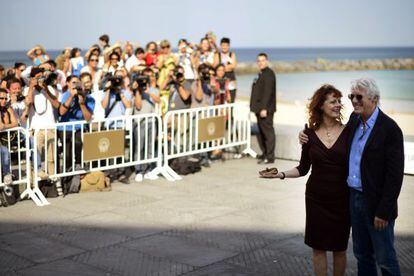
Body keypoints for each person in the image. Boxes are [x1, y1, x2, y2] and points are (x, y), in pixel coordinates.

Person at [300, 78, 404, 275]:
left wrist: (383, 211)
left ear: (374, 99)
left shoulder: (389, 129)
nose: (353, 101)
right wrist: (304, 135)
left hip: (376, 204)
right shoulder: (354, 122)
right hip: (353, 200)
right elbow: (326, 136)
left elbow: (394, 176)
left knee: (385, 259)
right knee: (362, 255)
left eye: (359, 97)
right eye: (351, 96)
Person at [264, 84, 351, 276]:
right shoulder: (308, 134)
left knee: (339, 248)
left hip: (342, 200)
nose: (338, 105)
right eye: (332, 101)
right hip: (316, 199)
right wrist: (280, 174)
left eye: (339, 101)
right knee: (318, 248)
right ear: (320, 105)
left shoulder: (349, 132)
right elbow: (303, 168)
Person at [131, 67, 160, 182]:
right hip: (140, 122)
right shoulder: (135, 90)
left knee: (150, 146)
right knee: (139, 147)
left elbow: (158, 100)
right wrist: (138, 91)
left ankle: (148, 169)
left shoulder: (154, 89)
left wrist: (149, 92)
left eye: (150, 75)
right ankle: (139, 170)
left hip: (151, 121)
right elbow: (138, 106)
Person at [250, 53, 276, 164]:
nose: (260, 62)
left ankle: (270, 157)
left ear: (267, 61)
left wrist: (264, 108)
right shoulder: (260, 73)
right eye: (259, 61)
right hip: (258, 109)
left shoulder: (269, 74)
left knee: (268, 133)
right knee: (261, 132)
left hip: (265, 110)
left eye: (263, 60)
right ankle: (265, 153)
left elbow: (268, 93)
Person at [0, 88, 18, 182]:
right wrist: (7, 126)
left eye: (5, 98)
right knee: (4, 150)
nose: (4, 101)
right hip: (2, 140)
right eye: (1, 98)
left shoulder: (7, 108)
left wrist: (6, 126)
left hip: (6, 138)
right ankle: (6, 173)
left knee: (31, 140)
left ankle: (38, 169)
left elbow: (16, 123)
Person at [214, 37, 237, 103]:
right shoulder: (217, 55)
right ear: (220, 46)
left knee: (231, 100)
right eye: (223, 45)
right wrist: (227, 67)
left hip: (231, 79)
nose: (225, 47)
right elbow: (216, 66)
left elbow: (233, 66)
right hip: (220, 80)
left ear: (229, 46)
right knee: (220, 100)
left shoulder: (232, 54)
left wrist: (221, 68)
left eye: (226, 45)